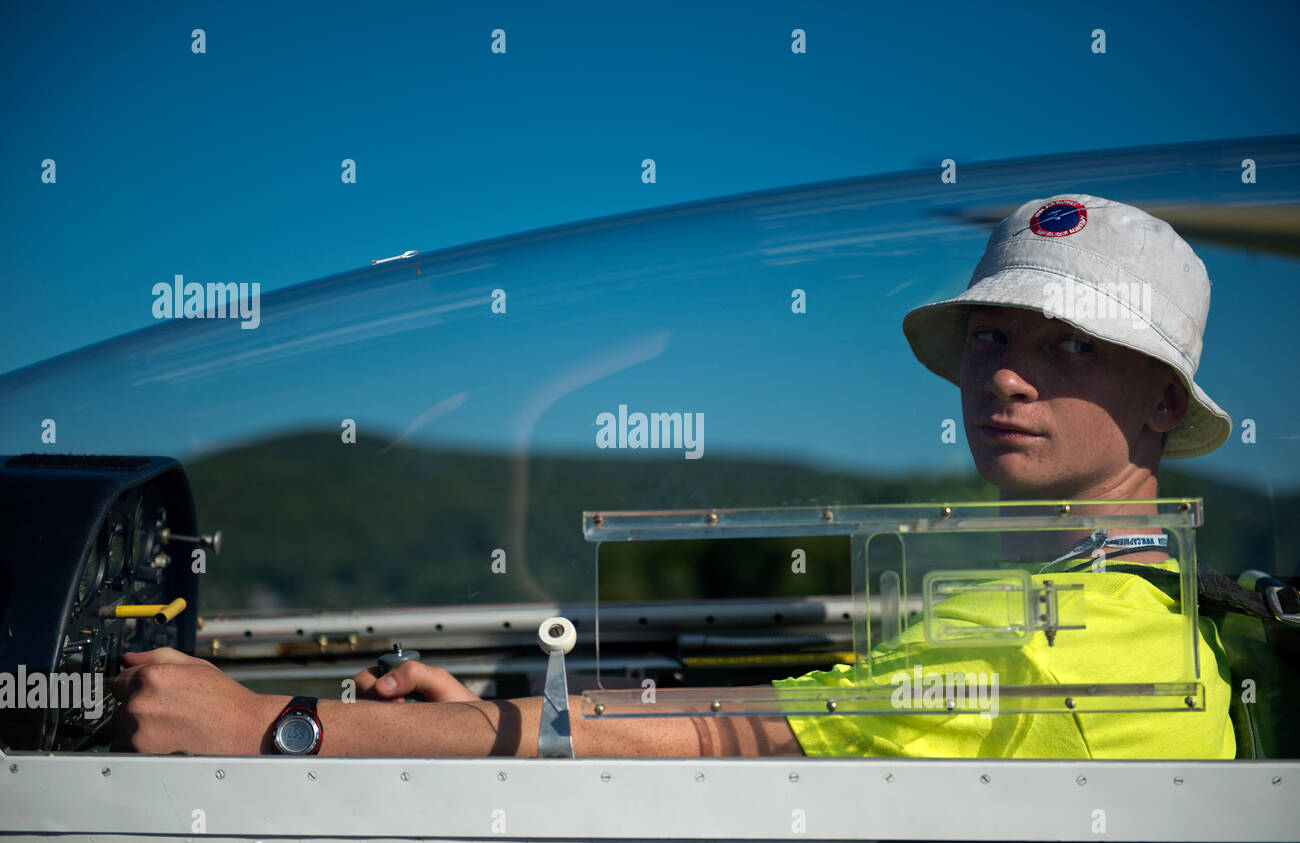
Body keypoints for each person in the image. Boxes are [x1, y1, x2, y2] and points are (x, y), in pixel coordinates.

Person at [112, 193, 1235, 759]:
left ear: (1163, 406)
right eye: (990, 338)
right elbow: (758, 710)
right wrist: (510, 710)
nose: (1008, 378)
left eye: (1069, 347)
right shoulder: (1098, 605)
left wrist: (271, 725)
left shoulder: (1047, 643)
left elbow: (697, 744)